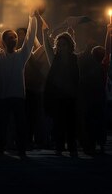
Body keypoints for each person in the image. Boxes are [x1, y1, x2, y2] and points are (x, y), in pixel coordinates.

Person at [0, 8, 39, 159]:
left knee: (21, 125)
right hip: (2, 97)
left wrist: (31, 17)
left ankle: (21, 150)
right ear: (4, 41)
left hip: (18, 96)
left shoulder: (21, 55)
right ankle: (0, 149)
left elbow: (30, 37)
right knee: (2, 125)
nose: (13, 39)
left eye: (14, 37)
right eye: (9, 37)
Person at [38, 14, 79, 157]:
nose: (61, 47)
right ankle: (60, 147)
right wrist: (44, 32)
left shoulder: (75, 59)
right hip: (58, 97)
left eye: (64, 44)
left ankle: (72, 148)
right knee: (59, 123)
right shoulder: (54, 59)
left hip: (72, 97)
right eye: (59, 45)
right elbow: (48, 48)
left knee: (71, 124)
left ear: (69, 45)